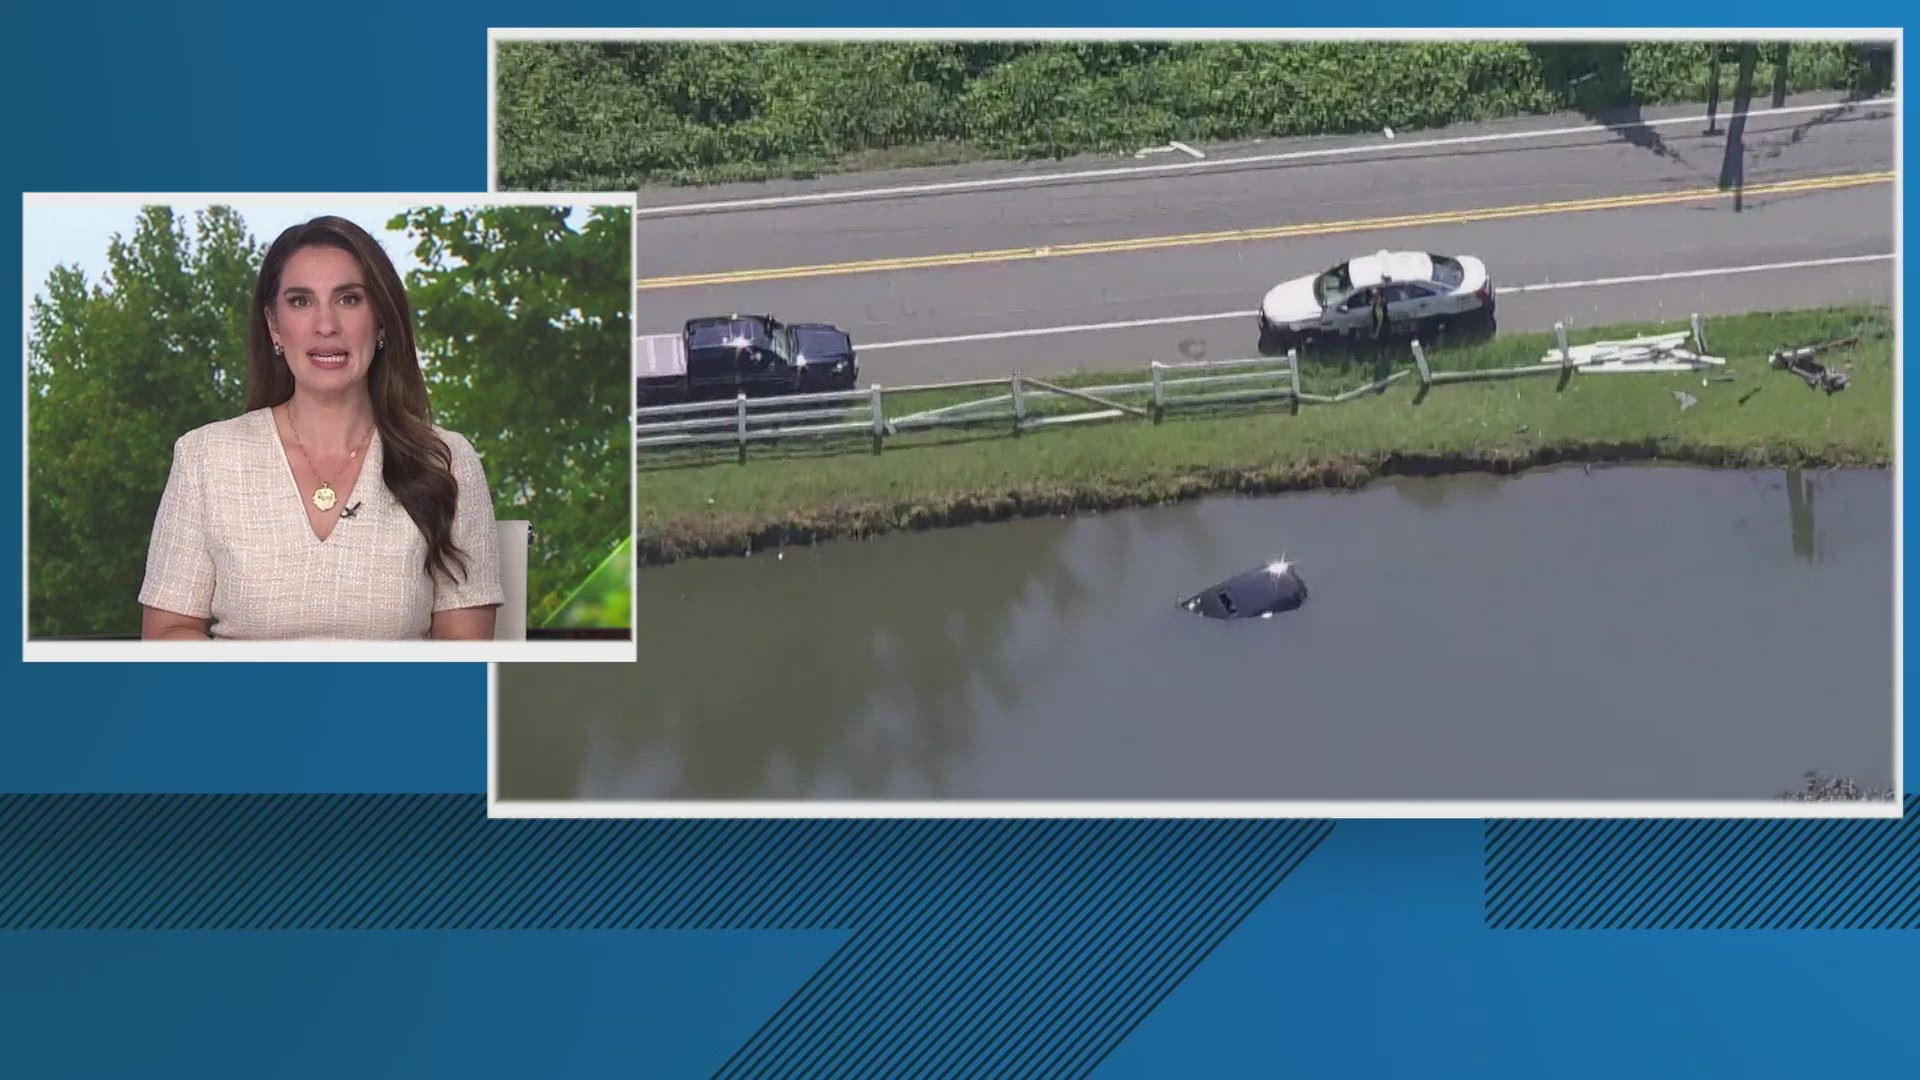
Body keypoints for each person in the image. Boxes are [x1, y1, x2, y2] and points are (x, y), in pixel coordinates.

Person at [138, 216, 503, 640]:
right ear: (274, 325)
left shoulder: (448, 462)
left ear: (382, 321)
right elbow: (168, 632)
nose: (325, 325)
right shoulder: (204, 457)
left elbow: (463, 658)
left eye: (349, 300)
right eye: (300, 301)